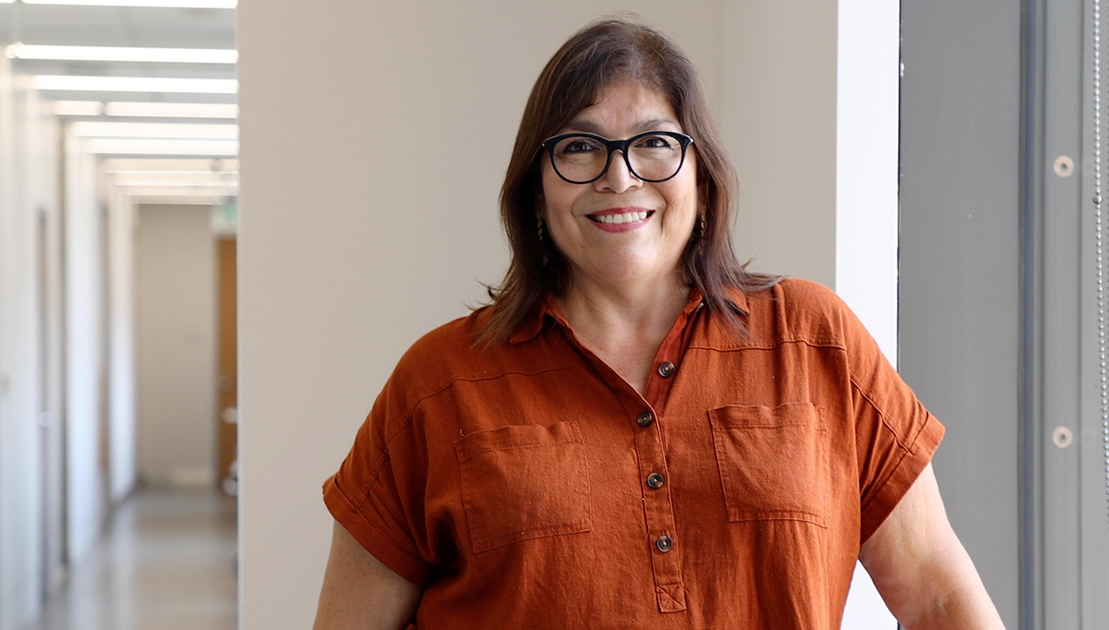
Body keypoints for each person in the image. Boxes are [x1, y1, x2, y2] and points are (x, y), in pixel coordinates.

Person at [314, 18, 1005, 630]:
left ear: (701, 176)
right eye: (580, 147)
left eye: (653, 143)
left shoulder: (816, 340)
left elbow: (937, 598)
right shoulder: (438, 381)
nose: (619, 178)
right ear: (537, 186)